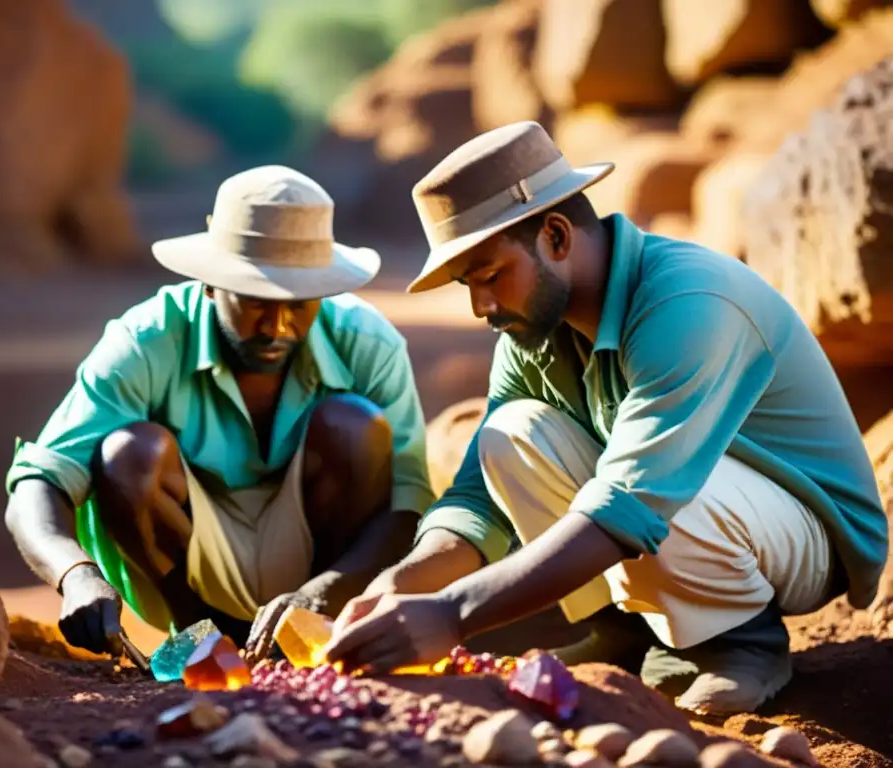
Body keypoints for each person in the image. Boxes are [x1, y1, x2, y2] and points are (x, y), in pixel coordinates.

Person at [322, 122, 888, 715]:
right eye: (468, 284)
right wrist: (406, 582)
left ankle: (742, 644)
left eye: (490, 277)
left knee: (659, 489)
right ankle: (627, 633)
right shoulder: (534, 328)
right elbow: (477, 493)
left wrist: (453, 614)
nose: (480, 307)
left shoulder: (687, 304)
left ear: (557, 236)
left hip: (803, 529)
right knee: (508, 433)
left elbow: (632, 502)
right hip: (684, 498)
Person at [4, 166, 435, 662]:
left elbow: (409, 503)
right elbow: (39, 481)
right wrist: (76, 576)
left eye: (298, 303)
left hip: (326, 566)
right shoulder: (146, 339)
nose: (277, 325)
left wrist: (322, 594)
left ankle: (314, 633)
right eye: (254, 301)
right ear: (209, 284)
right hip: (190, 565)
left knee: (354, 426)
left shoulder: (368, 340)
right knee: (130, 454)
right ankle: (203, 641)